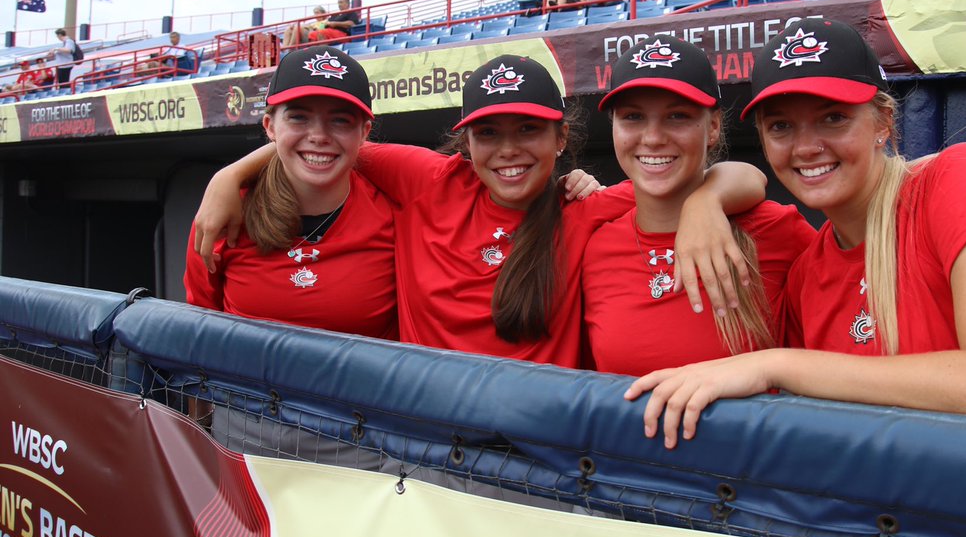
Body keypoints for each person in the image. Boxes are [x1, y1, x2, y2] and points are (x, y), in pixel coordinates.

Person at [627, 19, 966, 447]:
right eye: (782, 126)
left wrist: (776, 364)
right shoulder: (809, 272)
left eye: (834, 118)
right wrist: (704, 198)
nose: (807, 146)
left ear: (884, 122)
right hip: (902, 529)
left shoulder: (955, 179)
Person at [193, 54, 763, 367]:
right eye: (488, 132)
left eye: (528, 131)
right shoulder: (427, 179)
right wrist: (231, 174)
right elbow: (324, 142)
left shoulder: (579, 209)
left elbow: (739, 177)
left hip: (534, 457)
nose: (508, 149)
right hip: (423, 445)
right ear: (465, 142)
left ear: (562, 140)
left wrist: (706, 199)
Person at [583, 36, 816, 377]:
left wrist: (706, 202)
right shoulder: (593, 246)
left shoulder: (776, 229)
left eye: (677, 116)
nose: (652, 138)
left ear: (713, 127)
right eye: (633, 117)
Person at [184, 46, 398, 341]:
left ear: (364, 132)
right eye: (298, 117)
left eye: (340, 120)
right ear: (270, 127)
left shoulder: (395, 216)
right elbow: (200, 324)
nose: (319, 136)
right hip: (245, 386)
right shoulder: (225, 211)